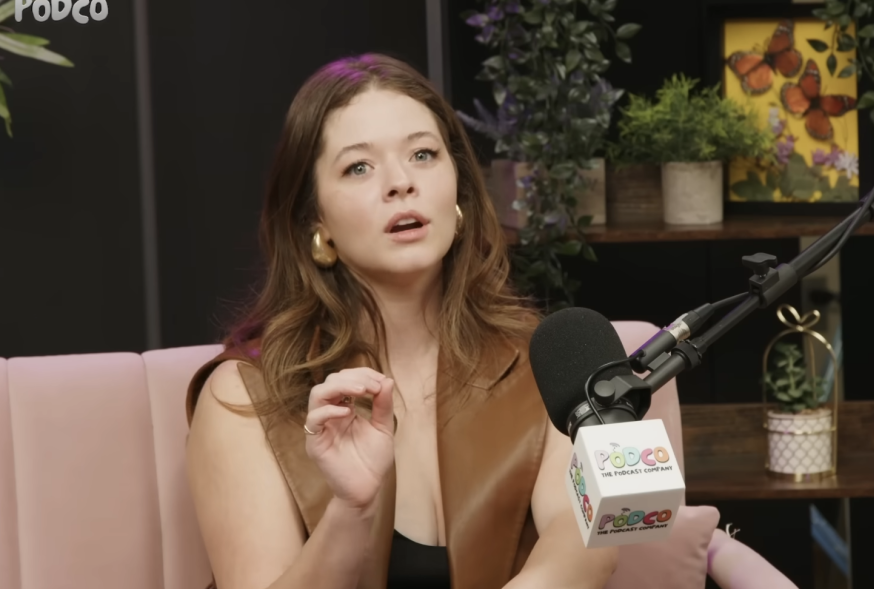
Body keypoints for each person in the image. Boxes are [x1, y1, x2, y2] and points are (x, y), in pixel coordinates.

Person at [183, 54, 618, 589]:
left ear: (458, 190)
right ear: (315, 223)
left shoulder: (546, 361)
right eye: (358, 167)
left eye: (423, 154)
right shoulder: (245, 395)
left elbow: (585, 544)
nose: (400, 183)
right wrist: (352, 509)